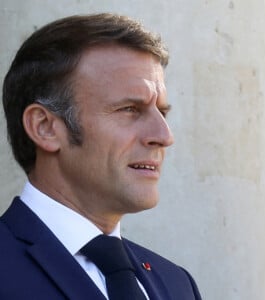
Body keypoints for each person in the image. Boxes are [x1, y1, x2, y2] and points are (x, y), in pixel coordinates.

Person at [0, 13, 201, 299]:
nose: (164, 136)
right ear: (45, 128)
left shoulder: (177, 284)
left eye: (163, 111)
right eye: (130, 109)